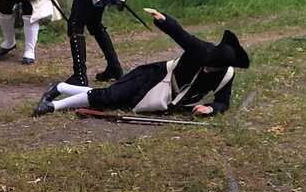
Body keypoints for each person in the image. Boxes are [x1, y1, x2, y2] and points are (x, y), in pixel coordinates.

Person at [32, 9, 250, 117]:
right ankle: (52, 106)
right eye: (207, 62)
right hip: (153, 77)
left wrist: (210, 108)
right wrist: (163, 19)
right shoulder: (202, 49)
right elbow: (180, 34)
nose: (207, 67)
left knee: (114, 97)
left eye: (213, 67)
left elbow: (223, 102)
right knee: (109, 97)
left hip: (164, 97)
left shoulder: (226, 76)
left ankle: (59, 88)